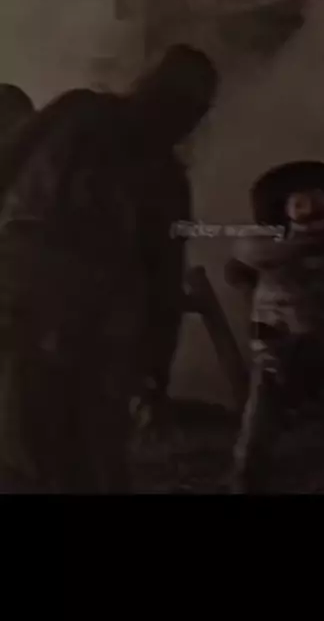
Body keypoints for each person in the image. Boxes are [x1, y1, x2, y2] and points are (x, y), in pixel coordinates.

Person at [0, 44, 217, 493]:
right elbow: (8, 161)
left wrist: (155, 369)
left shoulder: (163, 175)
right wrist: (155, 370)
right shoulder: (83, 115)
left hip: (80, 319)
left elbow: (164, 278)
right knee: (45, 445)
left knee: (65, 448)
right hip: (40, 305)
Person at [226, 174, 324, 493]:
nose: (309, 207)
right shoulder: (268, 246)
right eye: (300, 202)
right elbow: (248, 253)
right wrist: (310, 240)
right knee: (257, 436)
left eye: (316, 201)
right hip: (277, 352)